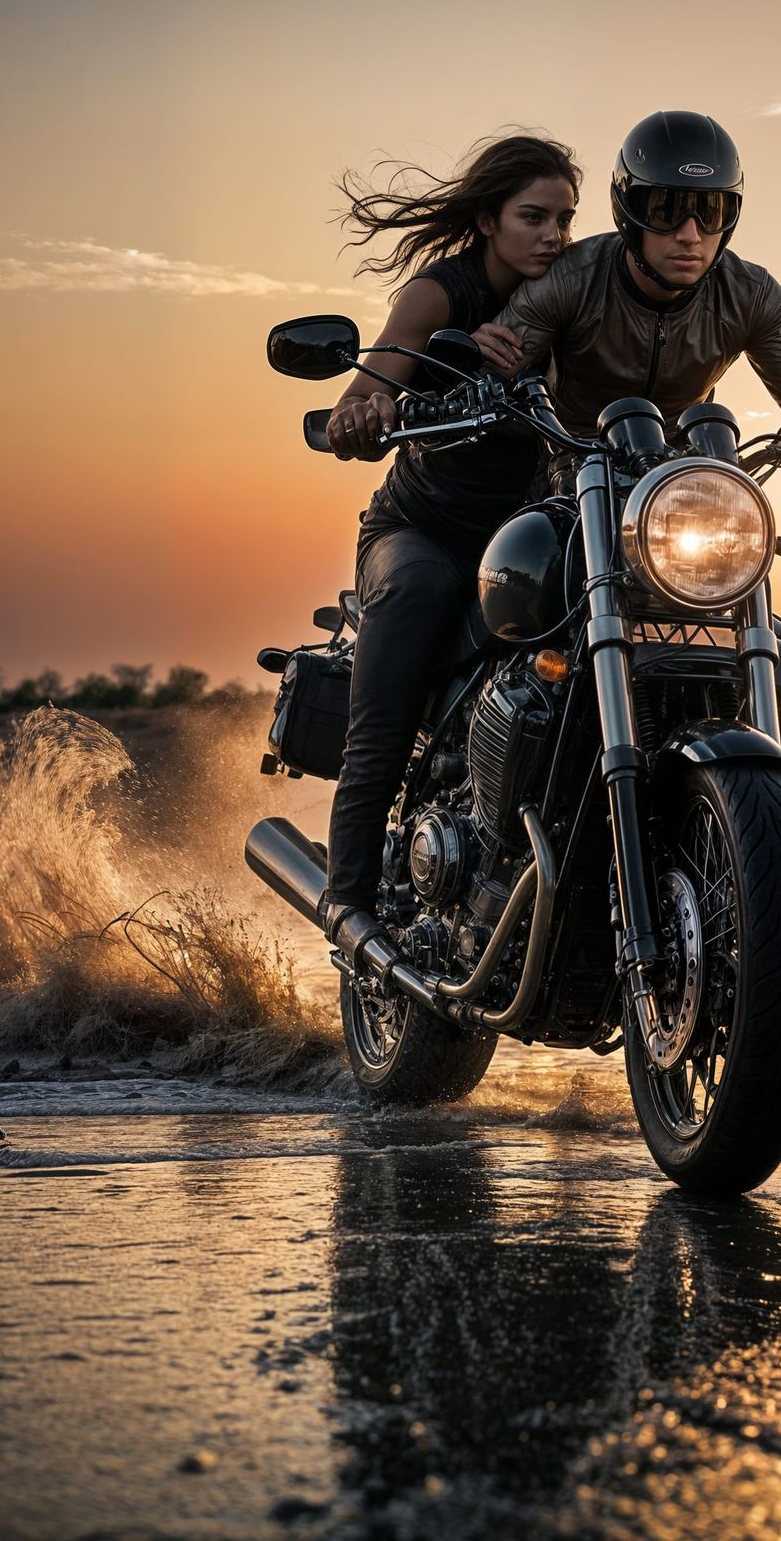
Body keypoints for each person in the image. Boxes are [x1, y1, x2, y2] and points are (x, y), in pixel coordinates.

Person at [318, 134, 582, 957]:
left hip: (530, 540)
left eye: (565, 220)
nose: (553, 236)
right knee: (418, 603)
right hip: (421, 531)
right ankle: (348, 900)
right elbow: (362, 395)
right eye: (534, 217)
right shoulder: (439, 295)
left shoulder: (572, 295)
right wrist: (367, 414)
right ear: (488, 220)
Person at [488, 111, 781, 502]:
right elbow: (490, 378)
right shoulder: (569, 280)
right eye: (666, 211)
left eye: (709, 211)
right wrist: (470, 368)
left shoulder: (752, 295)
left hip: (689, 484)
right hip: (573, 479)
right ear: (630, 210)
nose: (690, 234)